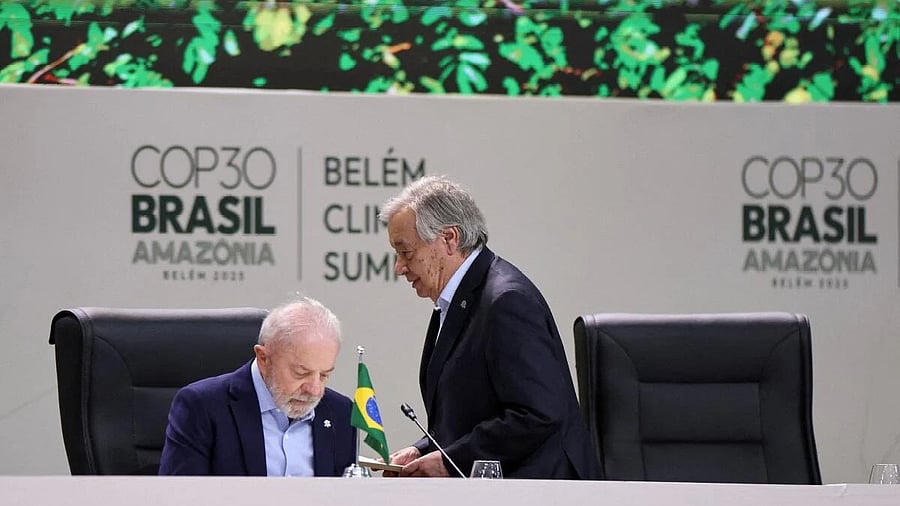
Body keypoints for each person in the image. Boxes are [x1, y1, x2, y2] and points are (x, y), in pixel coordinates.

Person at [379, 175, 601, 479]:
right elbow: (471, 413)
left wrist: (449, 461)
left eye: (406, 252)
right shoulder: (459, 299)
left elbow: (538, 413)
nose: (399, 267)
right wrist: (424, 450)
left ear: (448, 239)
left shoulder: (506, 301)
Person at [158, 297, 355, 476]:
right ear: (263, 358)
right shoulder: (202, 407)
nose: (315, 390)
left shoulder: (341, 412)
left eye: (324, 375)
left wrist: (381, 487)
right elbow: (178, 497)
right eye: (301, 373)